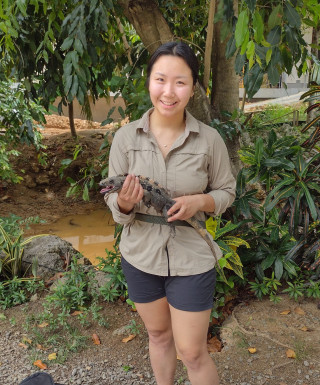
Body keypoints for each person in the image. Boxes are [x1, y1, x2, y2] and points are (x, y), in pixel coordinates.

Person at [105, 41, 236, 385]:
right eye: (160, 79)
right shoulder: (124, 138)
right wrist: (124, 203)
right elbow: (114, 207)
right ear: (149, 82)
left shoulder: (209, 140)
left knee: (192, 352)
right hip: (140, 256)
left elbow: (226, 191)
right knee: (159, 337)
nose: (168, 91)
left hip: (192, 257)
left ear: (193, 88)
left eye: (180, 81)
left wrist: (200, 202)